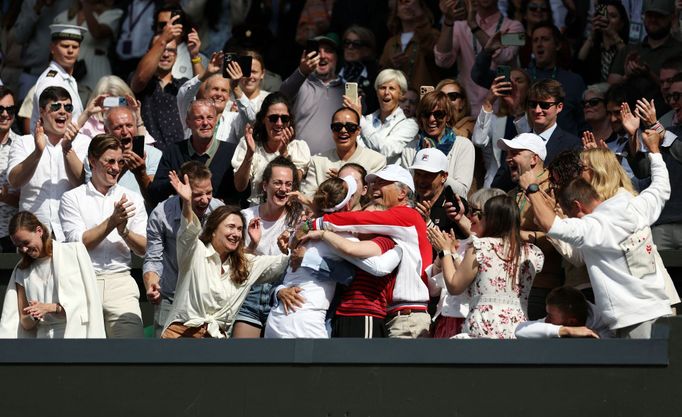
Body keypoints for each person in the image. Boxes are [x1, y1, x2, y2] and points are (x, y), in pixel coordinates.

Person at [521, 129, 672, 338]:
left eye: (583, 168)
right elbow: (661, 188)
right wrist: (654, 151)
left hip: (634, 320)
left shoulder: (597, 224)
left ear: (598, 173)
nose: (577, 172)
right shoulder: (636, 205)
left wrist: (532, 189)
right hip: (658, 310)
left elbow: (552, 225)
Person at [265, 175, 401, 338]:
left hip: (276, 322)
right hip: (304, 325)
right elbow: (352, 275)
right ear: (349, 204)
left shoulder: (304, 228)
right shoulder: (341, 237)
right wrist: (400, 249)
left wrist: (307, 257)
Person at [306, 164, 433, 338]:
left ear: (402, 193)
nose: (375, 187)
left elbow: (361, 219)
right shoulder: (400, 220)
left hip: (407, 317)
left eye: (382, 182)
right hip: (398, 315)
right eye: (375, 182)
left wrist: (317, 224)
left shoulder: (407, 215)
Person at [160, 171, 289, 338]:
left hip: (217, 342)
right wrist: (187, 203)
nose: (236, 233)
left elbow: (283, 263)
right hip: (181, 334)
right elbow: (188, 231)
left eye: (239, 229)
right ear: (213, 230)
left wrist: (295, 240)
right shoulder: (195, 251)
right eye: (230, 227)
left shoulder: (245, 264)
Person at [59, 134, 147, 338]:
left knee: (132, 350)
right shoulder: (72, 198)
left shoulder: (133, 197)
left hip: (121, 282)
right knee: (86, 356)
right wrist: (112, 222)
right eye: (110, 161)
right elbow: (78, 244)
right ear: (92, 160)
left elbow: (143, 249)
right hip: (83, 282)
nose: (116, 168)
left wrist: (124, 231)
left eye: (120, 162)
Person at [427, 195, 544, 339]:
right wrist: (453, 254)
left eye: (481, 216)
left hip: (483, 327)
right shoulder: (531, 252)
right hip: (517, 330)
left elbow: (454, 286)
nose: (477, 219)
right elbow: (478, 277)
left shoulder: (480, 246)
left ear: (491, 220)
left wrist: (444, 252)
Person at [144, 161, 223, 337]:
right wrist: (151, 284)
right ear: (181, 190)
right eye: (197, 195)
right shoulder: (161, 214)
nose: (205, 199)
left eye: (209, 192)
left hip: (206, 299)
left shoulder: (218, 211)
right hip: (171, 298)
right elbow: (153, 257)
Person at [0, 211, 105, 338]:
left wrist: (50, 308)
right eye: (19, 246)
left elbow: (86, 305)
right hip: (42, 344)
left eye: (26, 242)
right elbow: (24, 321)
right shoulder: (22, 270)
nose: (24, 250)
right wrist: (34, 315)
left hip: (75, 336)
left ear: (39, 231)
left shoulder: (74, 253)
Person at [231, 157, 304, 338]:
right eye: (277, 183)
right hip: (251, 293)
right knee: (241, 358)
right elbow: (234, 264)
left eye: (288, 184)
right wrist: (252, 246)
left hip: (284, 294)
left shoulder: (299, 221)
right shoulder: (246, 216)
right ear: (265, 186)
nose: (283, 189)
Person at [497, 133, 565, 319]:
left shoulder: (554, 189)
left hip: (542, 287)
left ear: (534, 159)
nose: (508, 158)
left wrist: (518, 235)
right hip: (511, 285)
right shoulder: (512, 194)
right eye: (508, 153)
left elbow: (559, 237)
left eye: (515, 153)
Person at [8, 86, 88, 241]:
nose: (63, 111)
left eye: (68, 107)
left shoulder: (83, 143)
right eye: (56, 106)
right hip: (32, 236)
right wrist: (37, 153)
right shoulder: (23, 143)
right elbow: (14, 181)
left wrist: (67, 149)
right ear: (42, 111)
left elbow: (81, 183)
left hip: (70, 233)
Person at [426, 187, 505, 338]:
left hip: (470, 323)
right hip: (444, 320)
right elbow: (434, 289)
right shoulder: (461, 243)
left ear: (492, 216)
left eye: (474, 212)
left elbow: (459, 286)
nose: (469, 215)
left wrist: (446, 253)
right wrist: (441, 257)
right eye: (469, 210)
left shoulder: (491, 250)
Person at [148, 99, 245, 207]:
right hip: (182, 217)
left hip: (219, 218)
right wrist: (178, 182)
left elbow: (243, 192)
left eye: (210, 118)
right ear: (188, 122)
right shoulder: (174, 151)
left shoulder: (231, 152)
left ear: (216, 120)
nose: (205, 123)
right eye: (199, 118)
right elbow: (155, 193)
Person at [434, 0, 523, 115]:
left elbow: (504, 57)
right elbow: (442, 61)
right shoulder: (459, 27)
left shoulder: (515, 27)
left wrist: (474, 26)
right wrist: (448, 21)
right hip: (467, 110)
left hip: (501, 111)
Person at [491, 79, 582, 190]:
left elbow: (572, 186)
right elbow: (498, 185)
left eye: (544, 105)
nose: (537, 110)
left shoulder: (572, 144)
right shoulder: (518, 142)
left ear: (559, 107)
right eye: (533, 104)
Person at [232, 93, 311, 206]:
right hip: (257, 211)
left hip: (287, 211)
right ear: (263, 119)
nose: (279, 123)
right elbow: (239, 186)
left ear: (289, 121)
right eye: (273, 118)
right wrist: (249, 154)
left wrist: (284, 154)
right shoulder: (249, 144)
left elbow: (294, 184)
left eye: (284, 118)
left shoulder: (298, 147)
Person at [400, 91, 475, 197]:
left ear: (447, 117)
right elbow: (407, 191)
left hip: (449, 210)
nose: (431, 119)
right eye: (426, 114)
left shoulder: (463, 146)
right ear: (421, 117)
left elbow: (461, 191)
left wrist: (433, 161)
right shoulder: (410, 149)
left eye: (438, 115)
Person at [280, 34, 344, 155]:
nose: (322, 56)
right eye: (317, 52)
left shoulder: (347, 91)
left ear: (336, 57)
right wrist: (302, 71)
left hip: (335, 165)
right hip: (300, 163)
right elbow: (282, 95)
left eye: (328, 51)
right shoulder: (299, 85)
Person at [130, 18, 189, 150]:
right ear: (150, 53)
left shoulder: (183, 85)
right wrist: (162, 40)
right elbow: (140, 79)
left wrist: (195, 55)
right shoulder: (141, 82)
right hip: (147, 154)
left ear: (177, 54)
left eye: (171, 50)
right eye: (162, 49)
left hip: (179, 157)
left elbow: (204, 95)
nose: (166, 54)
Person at [300, 107, 386, 198]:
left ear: (358, 131)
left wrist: (344, 182)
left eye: (350, 127)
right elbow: (308, 198)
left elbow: (373, 197)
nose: (343, 131)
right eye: (337, 127)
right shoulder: (317, 161)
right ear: (332, 130)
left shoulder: (376, 161)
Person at [53, 0, 123, 104]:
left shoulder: (112, 14)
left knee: (103, 107)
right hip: (68, 70)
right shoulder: (63, 17)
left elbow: (97, 32)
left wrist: (86, 5)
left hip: (98, 69)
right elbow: (54, 49)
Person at [346, 69, 418, 165]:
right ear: (376, 92)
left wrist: (360, 118)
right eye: (382, 88)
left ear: (401, 94)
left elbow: (386, 150)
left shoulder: (410, 124)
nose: (386, 92)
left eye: (392, 88)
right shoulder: (367, 120)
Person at [472, 70, 531, 187]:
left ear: (529, 88)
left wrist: (517, 109)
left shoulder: (535, 117)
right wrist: (488, 102)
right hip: (495, 186)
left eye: (519, 81)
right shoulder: (493, 119)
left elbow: (529, 144)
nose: (513, 85)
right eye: (509, 81)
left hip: (525, 184)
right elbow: (478, 140)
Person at [29, 24, 86, 134]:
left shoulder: (68, 78)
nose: (70, 51)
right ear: (52, 48)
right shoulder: (51, 80)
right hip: (52, 146)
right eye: (65, 46)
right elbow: (51, 123)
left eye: (75, 47)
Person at [608, 0, 682, 85]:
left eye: (659, 16)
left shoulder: (678, 51)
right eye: (649, 15)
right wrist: (627, 76)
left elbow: (676, 90)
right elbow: (611, 84)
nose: (653, 19)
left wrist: (649, 75)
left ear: (672, 18)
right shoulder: (628, 50)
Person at [13, 0, 70, 100]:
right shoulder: (31, 2)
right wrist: (37, 7)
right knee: (25, 114)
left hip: (62, 76)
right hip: (32, 74)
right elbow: (19, 36)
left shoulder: (71, 3)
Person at [103, 105, 162, 202]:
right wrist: (122, 167)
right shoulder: (98, 157)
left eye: (129, 126)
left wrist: (141, 173)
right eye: (118, 127)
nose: (125, 132)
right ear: (106, 130)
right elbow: (97, 193)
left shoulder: (154, 155)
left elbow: (155, 197)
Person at [379, 0, 442, 89]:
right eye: (402, 2)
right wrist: (391, 64)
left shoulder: (433, 34)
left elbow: (439, 58)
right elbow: (380, 76)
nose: (407, 6)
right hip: (398, 99)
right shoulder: (391, 42)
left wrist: (420, 17)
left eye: (411, 1)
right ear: (396, 11)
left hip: (424, 98)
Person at [176, 51, 236, 142]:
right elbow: (184, 94)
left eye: (224, 90)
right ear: (205, 93)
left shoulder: (234, 119)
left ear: (228, 97)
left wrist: (237, 87)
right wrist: (206, 73)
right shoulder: (192, 112)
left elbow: (250, 119)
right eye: (215, 89)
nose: (219, 94)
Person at [515, 286, 609, 338]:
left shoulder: (604, 329)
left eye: (550, 316)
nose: (547, 320)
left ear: (571, 321)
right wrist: (565, 330)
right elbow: (519, 330)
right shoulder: (551, 321)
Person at [575, 0, 629, 85]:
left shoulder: (625, 47)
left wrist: (614, 35)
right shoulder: (592, 46)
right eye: (604, 15)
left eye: (613, 16)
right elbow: (578, 64)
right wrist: (592, 34)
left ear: (621, 23)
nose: (607, 19)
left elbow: (628, 59)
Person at [338, 25, 380, 113]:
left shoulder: (375, 75)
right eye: (347, 42)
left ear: (367, 49)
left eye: (356, 44)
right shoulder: (335, 70)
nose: (350, 47)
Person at [0, 87, 20, 252]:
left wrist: (6, 197)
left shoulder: (23, 146)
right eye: (0, 109)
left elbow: (31, 197)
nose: (5, 114)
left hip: (12, 237)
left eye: (10, 109)